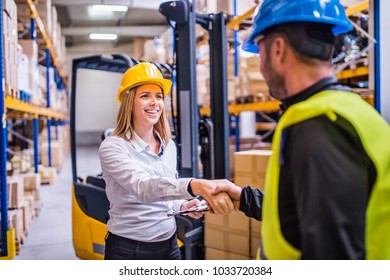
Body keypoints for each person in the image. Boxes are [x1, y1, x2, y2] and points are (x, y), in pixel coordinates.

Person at [215, 0, 390, 260]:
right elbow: (306, 214)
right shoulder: (345, 110)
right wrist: (244, 199)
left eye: (259, 52)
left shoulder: (319, 127)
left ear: (277, 49)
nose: (261, 67)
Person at [99, 62, 235, 260]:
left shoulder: (168, 146)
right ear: (129, 101)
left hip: (169, 245)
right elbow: (143, 187)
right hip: (129, 250)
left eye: (159, 96)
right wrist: (193, 185)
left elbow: (165, 194)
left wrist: (182, 205)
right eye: (145, 96)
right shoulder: (113, 147)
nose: (154, 103)